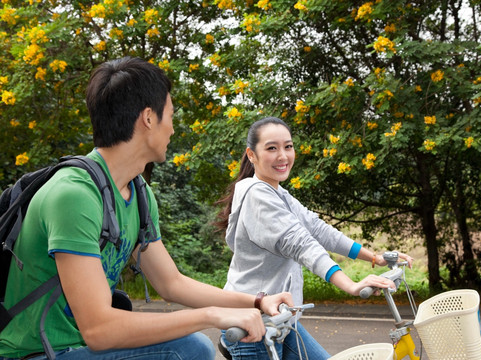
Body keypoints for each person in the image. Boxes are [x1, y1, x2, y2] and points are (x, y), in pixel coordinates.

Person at [0, 58, 293, 360]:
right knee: (189, 350)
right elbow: (99, 330)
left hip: (78, 349)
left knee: (191, 346)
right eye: (171, 115)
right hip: (35, 354)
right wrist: (211, 316)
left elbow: (171, 283)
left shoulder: (137, 193)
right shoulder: (74, 195)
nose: (173, 128)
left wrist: (257, 303)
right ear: (149, 118)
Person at [216, 117, 414, 359]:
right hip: (252, 327)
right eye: (271, 148)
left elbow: (318, 230)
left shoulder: (279, 193)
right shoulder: (258, 196)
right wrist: (350, 285)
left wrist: (373, 257)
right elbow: (302, 245)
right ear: (251, 155)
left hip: (282, 321)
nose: (283, 156)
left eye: (288, 146)